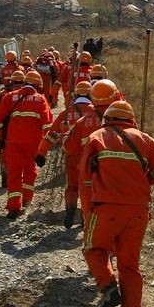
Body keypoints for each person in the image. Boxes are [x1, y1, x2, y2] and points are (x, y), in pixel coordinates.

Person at [80, 100, 154, 307]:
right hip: (138, 211)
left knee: (93, 249)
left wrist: (87, 210)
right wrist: (143, 181)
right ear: (131, 119)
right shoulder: (144, 138)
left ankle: (109, 287)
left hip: (106, 208)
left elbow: (85, 178)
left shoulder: (97, 137)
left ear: (108, 118)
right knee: (129, 264)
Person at [0, 69, 52, 219]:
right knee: (29, 171)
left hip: (12, 142)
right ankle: (26, 200)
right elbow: (47, 125)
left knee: (14, 173)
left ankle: (13, 206)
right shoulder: (41, 99)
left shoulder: (9, 97)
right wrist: (45, 149)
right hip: (33, 143)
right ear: (39, 85)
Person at [63, 78, 121, 227]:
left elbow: (70, 148)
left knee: (85, 197)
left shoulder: (83, 121)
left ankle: (87, 220)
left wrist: (64, 137)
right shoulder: (126, 120)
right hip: (115, 172)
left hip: (88, 170)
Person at [37, 80, 94, 228]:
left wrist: (41, 153)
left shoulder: (67, 112)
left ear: (75, 94)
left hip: (72, 156)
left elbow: (52, 134)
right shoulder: (97, 113)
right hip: (92, 159)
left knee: (72, 186)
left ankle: (71, 208)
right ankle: (86, 216)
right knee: (89, 188)